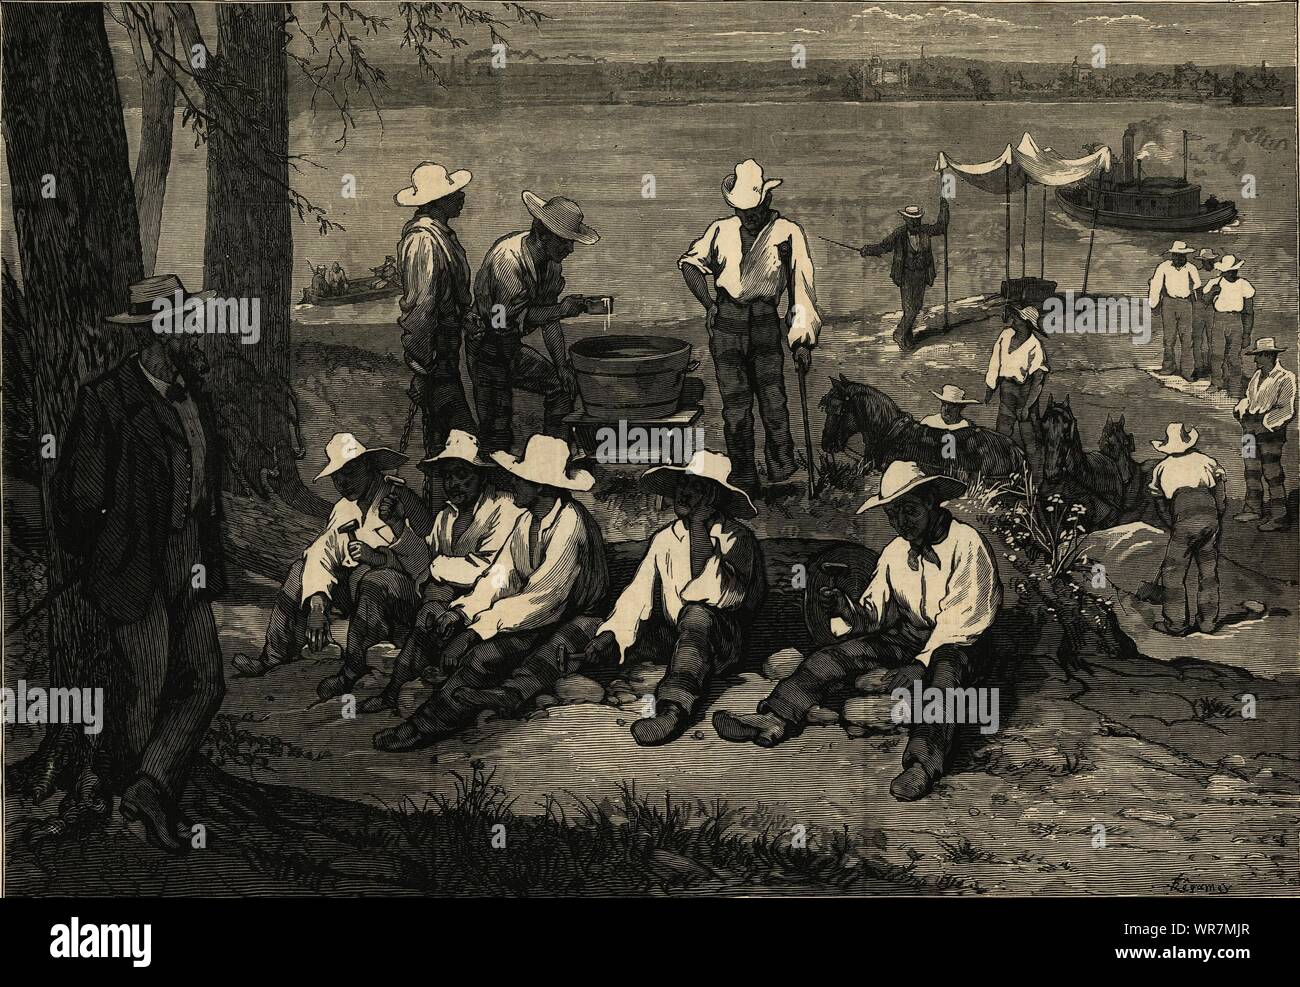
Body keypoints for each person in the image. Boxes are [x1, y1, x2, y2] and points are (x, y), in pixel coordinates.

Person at [52, 274, 228, 854]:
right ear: (159, 331)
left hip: (189, 555)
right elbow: (76, 499)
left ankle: (149, 785)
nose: (195, 331)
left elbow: (208, 485)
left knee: (204, 682)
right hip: (133, 562)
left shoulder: (193, 393)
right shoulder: (106, 400)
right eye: (185, 322)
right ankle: (109, 794)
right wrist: (102, 553)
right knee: (143, 685)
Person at [713, 461, 1001, 802]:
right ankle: (775, 717)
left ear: (931, 502)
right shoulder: (896, 552)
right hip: (911, 636)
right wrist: (846, 609)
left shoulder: (967, 544)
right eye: (893, 515)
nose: (901, 523)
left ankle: (923, 763)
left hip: (964, 644)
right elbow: (875, 612)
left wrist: (921, 665)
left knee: (945, 675)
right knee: (835, 656)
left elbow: (964, 618)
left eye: (908, 511)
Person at [372, 435, 609, 751]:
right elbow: (500, 577)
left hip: (571, 616)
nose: (511, 483)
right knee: (445, 630)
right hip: (531, 614)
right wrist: (462, 613)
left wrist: (474, 632)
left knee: (484, 655)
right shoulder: (527, 521)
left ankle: (424, 726)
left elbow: (544, 599)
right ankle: (411, 698)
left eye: (519, 478)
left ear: (539, 485)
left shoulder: (571, 523)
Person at [578, 449, 765, 746]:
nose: (685, 494)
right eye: (683, 485)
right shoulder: (665, 537)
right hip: (675, 636)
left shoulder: (735, 537)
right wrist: (611, 634)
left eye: (698, 488)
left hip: (721, 641)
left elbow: (716, 595)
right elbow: (638, 593)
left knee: (696, 614)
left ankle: (673, 709)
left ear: (714, 497)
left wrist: (700, 530)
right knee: (593, 632)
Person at [231, 433, 432, 700]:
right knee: (300, 570)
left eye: (350, 472)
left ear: (369, 467)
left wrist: (382, 557)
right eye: (337, 476)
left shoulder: (402, 500)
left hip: (401, 598)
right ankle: (275, 653)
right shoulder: (344, 508)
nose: (343, 482)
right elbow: (322, 550)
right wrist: (317, 603)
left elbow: (427, 566)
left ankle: (354, 669)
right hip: (358, 591)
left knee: (376, 578)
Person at [356, 430, 525, 714]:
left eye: (462, 474)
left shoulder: (503, 508)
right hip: (442, 600)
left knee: (430, 611)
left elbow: (492, 569)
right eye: (447, 476)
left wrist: (438, 574)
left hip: (488, 606)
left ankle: (396, 691)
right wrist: (398, 525)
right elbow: (424, 563)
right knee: (377, 581)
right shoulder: (446, 517)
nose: (453, 483)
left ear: (481, 475)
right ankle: (358, 669)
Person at [679, 158, 821, 494]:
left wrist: (801, 340)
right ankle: (743, 474)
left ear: (768, 200)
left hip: (765, 324)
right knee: (736, 407)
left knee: (774, 402)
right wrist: (710, 305)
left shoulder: (788, 232)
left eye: (754, 209)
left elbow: (802, 285)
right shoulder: (720, 230)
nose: (749, 216)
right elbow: (689, 265)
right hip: (727, 326)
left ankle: (782, 470)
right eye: (743, 211)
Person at [468, 191, 604, 452]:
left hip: (510, 345)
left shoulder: (552, 266)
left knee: (562, 386)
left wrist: (561, 364)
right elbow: (502, 321)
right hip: (487, 345)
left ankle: (552, 459)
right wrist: (562, 310)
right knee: (496, 430)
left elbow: (549, 318)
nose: (570, 248)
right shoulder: (507, 259)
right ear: (542, 235)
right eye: (565, 242)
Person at [393, 162, 477, 459]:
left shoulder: (439, 235)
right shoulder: (423, 240)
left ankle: (440, 501)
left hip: (444, 351)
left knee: (443, 441)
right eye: (455, 193)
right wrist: (421, 366)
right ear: (437, 201)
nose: (462, 197)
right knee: (460, 438)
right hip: (435, 355)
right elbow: (420, 307)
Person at [1147, 424, 1226, 635]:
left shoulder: (1162, 468)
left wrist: (1171, 522)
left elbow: (1159, 501)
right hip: (1209, 517)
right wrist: (1218, 513)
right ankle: (1208, 622)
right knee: (1208, 571)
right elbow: (1219, 487)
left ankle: (1176, 624)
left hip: (1184, 519)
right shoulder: (1205, 460)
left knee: (1172, 573)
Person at [859, 198, 950, 352]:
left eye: (917, 220)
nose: (914, 223)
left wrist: (944, 208)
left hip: (921, 275)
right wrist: (868, 250)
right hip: (906, 276)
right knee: (910, 309)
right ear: (906, 219)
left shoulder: (925, 231)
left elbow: (941, 227)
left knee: (917, 306)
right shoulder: (899, 233)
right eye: (911, 220)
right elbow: (884, 246)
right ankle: (901, 334)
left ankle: (905, 335)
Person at [1233, 337, 1296, 531]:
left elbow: (1287, 409)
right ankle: (1253, 508)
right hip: (1250, 427)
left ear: (1269, 356)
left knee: (1272, 472)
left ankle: (1279, 516)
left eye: (1258, 356)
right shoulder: (1257, 376)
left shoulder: (1286, 377)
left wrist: (1267, 423)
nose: (1255, 360)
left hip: (1270, 430)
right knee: (1251, 469)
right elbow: (1249, 398)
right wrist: (1242, 407)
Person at [984, 305, 1049, 471]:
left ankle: (1035, 478)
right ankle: (1001, 471)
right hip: (1006, 390)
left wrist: (1027, 406)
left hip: (1025, 392)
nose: (1014, 321)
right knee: (1002, 432)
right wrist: (991, 387)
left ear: (1027, 324)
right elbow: (995, 362)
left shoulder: (1035, 346)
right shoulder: (1006, 336)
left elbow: (1038, 379)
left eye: (1018, 319)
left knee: (1030, 437)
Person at [1201, 254, 1256, 398]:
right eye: (1230, 270)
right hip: (1219, 320)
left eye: (1234, 270)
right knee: (1217, 354)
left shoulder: (1244, 284)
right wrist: (1214, 291)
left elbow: (1249, 311)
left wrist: (1247, 333)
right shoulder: (1215, 282)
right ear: (1223, 271)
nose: (1232, 273)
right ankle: (1216, 383)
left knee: (1234, 357)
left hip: (1236, 321)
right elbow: (1204, 301)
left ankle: (1234, 387)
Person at [1147, 240, 1201, 378]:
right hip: (1169, 303)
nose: (1178, 258)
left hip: (1186, 303)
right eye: (1176, 255)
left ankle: (1187, 371)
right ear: (1172, 255)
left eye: (1181, 256)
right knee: (1169, 338)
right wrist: (1154, 305)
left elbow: (1197, 288)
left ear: (1185, 256)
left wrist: (1197, 307)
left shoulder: (1191, 268)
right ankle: (1168, 367)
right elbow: (1155, 285)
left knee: (1187, 338)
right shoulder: (1163, 267)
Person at [1190, 248, 1220, 381]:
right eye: (1206, 261)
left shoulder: (1219, 273)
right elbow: (1193, 291)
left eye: (1210, 261)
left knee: (1212, 339)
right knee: (1197, 339)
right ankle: (1198, 367)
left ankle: (1211, 368)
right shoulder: (1197, 273)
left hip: (1213, 307)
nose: (1209, 263)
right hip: (1199, 306)